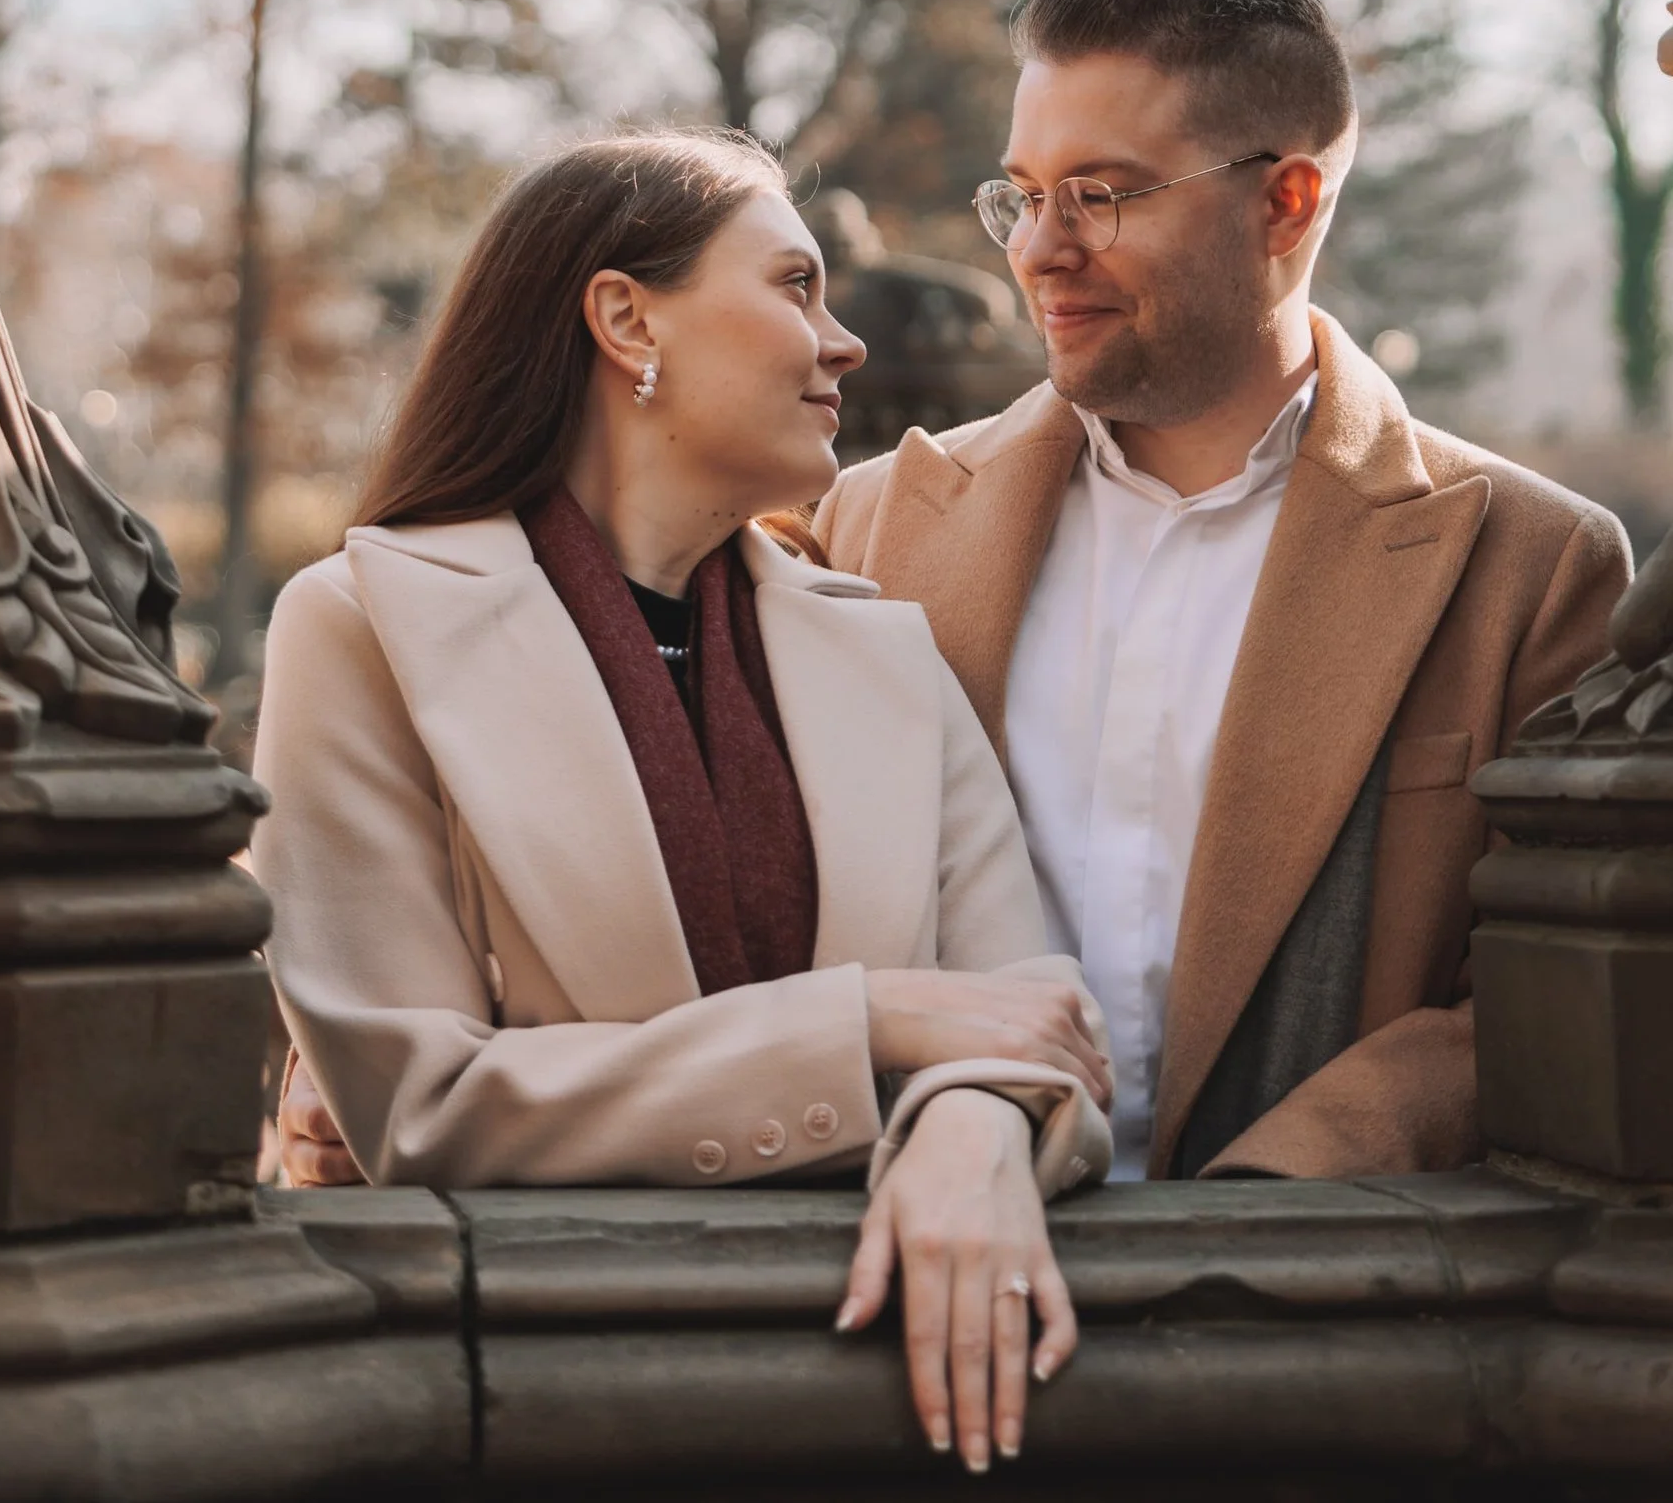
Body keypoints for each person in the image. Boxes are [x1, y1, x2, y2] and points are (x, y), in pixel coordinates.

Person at [253, 129, 1113, 1474]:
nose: (847, 345)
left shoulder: (886, 653)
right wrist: (877, 1023)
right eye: (794, 287)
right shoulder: (363, 627)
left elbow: (1024, 1025)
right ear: (622, 315)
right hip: (543, 1418)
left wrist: (967, 1127)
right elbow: (424, 1107)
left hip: (887, 1410)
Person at [818, 0, 1631, 1183]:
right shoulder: (872, 523)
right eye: (1024, 193)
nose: (1039, 249)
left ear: (1286, 203)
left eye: (1099, 194)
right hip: (913, 1262)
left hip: (1300, 1313)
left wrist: (1264, 1202)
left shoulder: (1532, 563)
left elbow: (1539, 992)